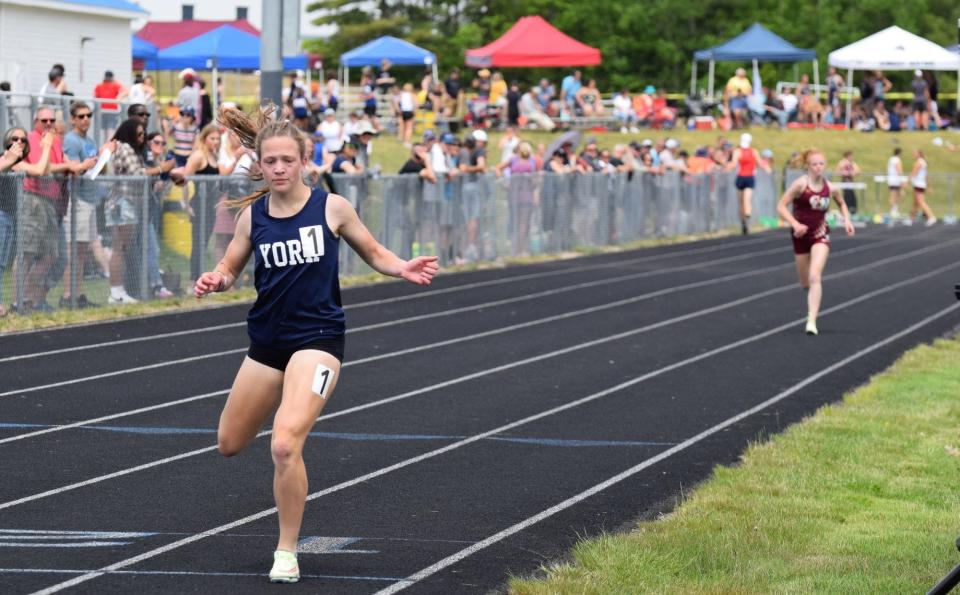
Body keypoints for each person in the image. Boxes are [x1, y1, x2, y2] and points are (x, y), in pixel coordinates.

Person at [197, 106, 437, 584]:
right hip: (267, 343)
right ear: (260, 164)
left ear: (304, 160)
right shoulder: (253, 217)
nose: (280, 168)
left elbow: (374, 252)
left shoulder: (331, 208)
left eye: (289, 159)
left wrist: (402, 266)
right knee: (229, 443)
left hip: (318, 339)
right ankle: (286, 424)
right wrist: (216, 279)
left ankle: (286, 550)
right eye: (272, 161)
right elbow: (229, 268)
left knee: (285, 444)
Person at [776, 148, 855, 336]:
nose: (818, 168)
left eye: (821, 164)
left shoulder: (831, 187)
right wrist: (795, 224)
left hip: (820, 233)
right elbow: (780, 205)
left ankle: (811, 320)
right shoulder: (800, 184)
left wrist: (847, 220)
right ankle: (810, 297)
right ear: (808, 166)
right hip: (800, 235)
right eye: (814, 164)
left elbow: (841, 203)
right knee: (805, 282)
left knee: (814, 276)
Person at [61, 101, 116, 308]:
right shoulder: (71, 140)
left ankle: (78, 294)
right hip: (77, 200)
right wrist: (97, 159)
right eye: (81, 116)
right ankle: (68, 295)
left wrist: (103, 155)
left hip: (90, 200)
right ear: (73, 119)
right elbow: (75, 168)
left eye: (88, 115)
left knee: (83, 251)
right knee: (73, 250)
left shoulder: (90, 140)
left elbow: (95, 169)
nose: (86, 119)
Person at [182, 123, 242, 282]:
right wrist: (186, 203)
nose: (215, 142)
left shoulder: (213, 156)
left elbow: (222, 176)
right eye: (212, 138)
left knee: (204, 242)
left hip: (210, 205)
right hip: (198, 204)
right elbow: (185, 179)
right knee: (198, 243)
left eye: (217, 139)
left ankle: (199, 277)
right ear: (204, 138)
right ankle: (193, 279)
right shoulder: (198, 156)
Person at [909, 149, 936, 226]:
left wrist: (907, 181)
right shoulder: (923, 162)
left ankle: (931, 216)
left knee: (920, 202)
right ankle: (911, 219)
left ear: (919, 154)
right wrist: (929, 186)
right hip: (921, 184)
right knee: (915, 203)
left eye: (915, 153)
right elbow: (926, 176)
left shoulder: (919, 162)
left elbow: (914, 172)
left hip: (918, 184)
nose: (913, 154)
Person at [835, 150, 860, 214]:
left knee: (853, 197)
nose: (852, 157)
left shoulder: (852, 163)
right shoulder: (842, 162)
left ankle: (853, 210)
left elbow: (858, 171)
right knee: (846, 196)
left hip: (851, 182)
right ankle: (845, 210)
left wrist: (853, 172)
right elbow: (837, 172)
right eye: (850, 156)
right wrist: (844, 173)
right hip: (845, 181)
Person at [887, 147, 904, 217]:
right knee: (894, 196)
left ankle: (894, 210)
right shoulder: (897, 160)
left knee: (898, 195)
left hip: (891, 180)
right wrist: (902, 181)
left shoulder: (891, 159)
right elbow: (899, 170)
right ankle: (893, 211)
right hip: (895, 180)